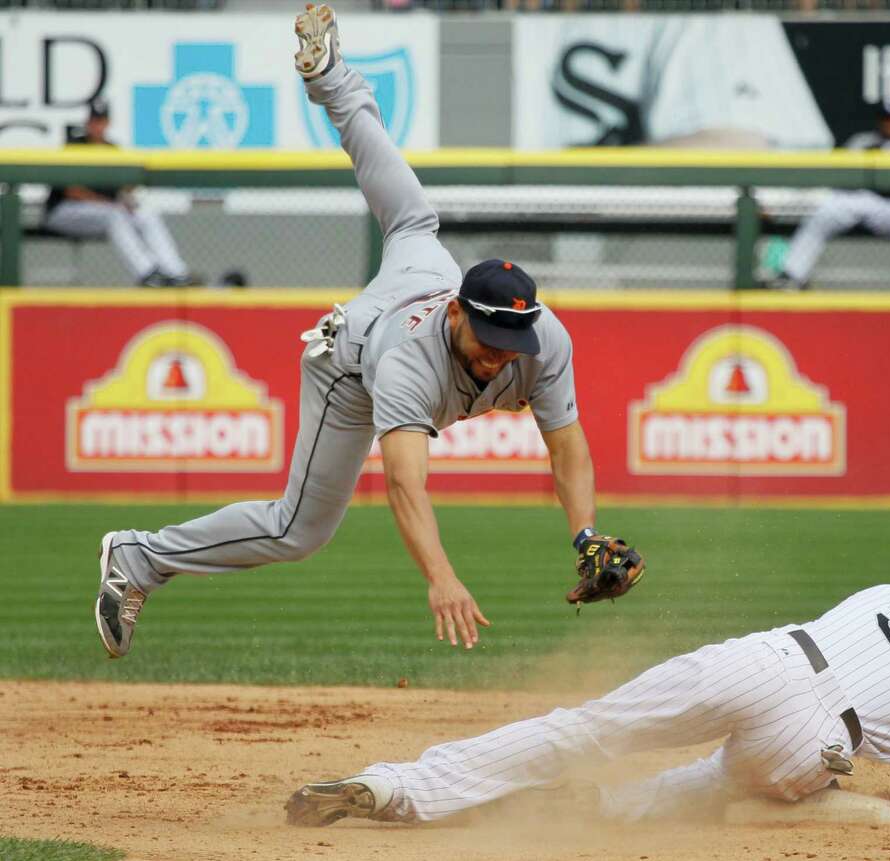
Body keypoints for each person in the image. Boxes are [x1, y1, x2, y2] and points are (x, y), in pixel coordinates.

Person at [93, 4, 624, 659]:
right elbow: (405, 481)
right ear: (458, 313)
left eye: (510, 344)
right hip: (350, 365)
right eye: (489, 339)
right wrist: (442, 577)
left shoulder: (534, 334)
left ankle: (332, 69)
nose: (498, 358)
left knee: (407, 207)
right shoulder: (409, 363)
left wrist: (586, 537)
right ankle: (138, 555)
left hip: (413, 277)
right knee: (298, 529)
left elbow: (566, 445)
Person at [285, 584, 890, 827]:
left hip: (763, 658)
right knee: (703, 789)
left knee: (586, 727)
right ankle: (565, 812)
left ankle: (395, 786)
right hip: (814, 740)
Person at [774, 103, 890, 292]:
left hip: (887, 204)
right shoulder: (862, 141)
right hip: (852, 199)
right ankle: (792, 274)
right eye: (886, 120)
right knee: (821, 216)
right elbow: (841, 172)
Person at [43, 98, 199, 287]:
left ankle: (175, 271)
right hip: (63, 212)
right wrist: (112, 204)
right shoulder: (74, 147)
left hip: (101, 212)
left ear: (107, 123)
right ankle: (147, 273)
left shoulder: (112, 149)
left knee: (146, 214)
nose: (97, 125)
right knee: (114, 215)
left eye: (100, 121)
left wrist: (127, 199)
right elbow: (72, 191)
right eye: (93, 121)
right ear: (87, 123)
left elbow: (121, 189)